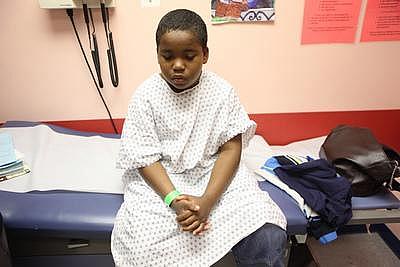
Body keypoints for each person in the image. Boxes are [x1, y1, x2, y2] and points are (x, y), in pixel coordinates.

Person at [111, 9, 287, 267]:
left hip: (212, 174)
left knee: (267, 233)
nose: (178, 65)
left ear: (205, 55)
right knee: (140, 245)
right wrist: (174, 200)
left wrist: (207, 201)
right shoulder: (146, 96)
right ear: (157, 55)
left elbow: (230, 149)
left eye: (189, 56)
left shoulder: (222, 92)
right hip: (163, 181)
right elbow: (145, 157)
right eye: (167, 56)